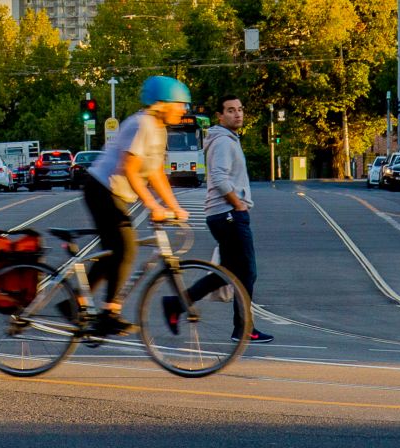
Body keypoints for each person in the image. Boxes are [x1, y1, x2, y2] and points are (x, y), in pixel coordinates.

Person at [78, 75, 190, 337]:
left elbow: (156, 173)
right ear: (163, 103)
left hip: (113, 193)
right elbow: (128, 169)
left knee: (114, 251)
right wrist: (153, 206)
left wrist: (175, 207)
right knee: (124, 248)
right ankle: (109, 313)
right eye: (180, 104)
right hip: (101, 189)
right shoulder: (141, 124)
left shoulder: (158, 129)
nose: (184, 110)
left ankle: (76, 302)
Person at [171, 93, 271, 343]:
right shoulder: (224, 142)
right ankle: (243, 327)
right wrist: (238, 205)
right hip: (227, 214)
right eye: (230, 110)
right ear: (220, 115)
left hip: (224, 215)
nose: (237, 114)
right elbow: (218, 177)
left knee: (233, 272)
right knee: (246, 272)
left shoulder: (227, 139)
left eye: (240, 109)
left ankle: (179, 304)